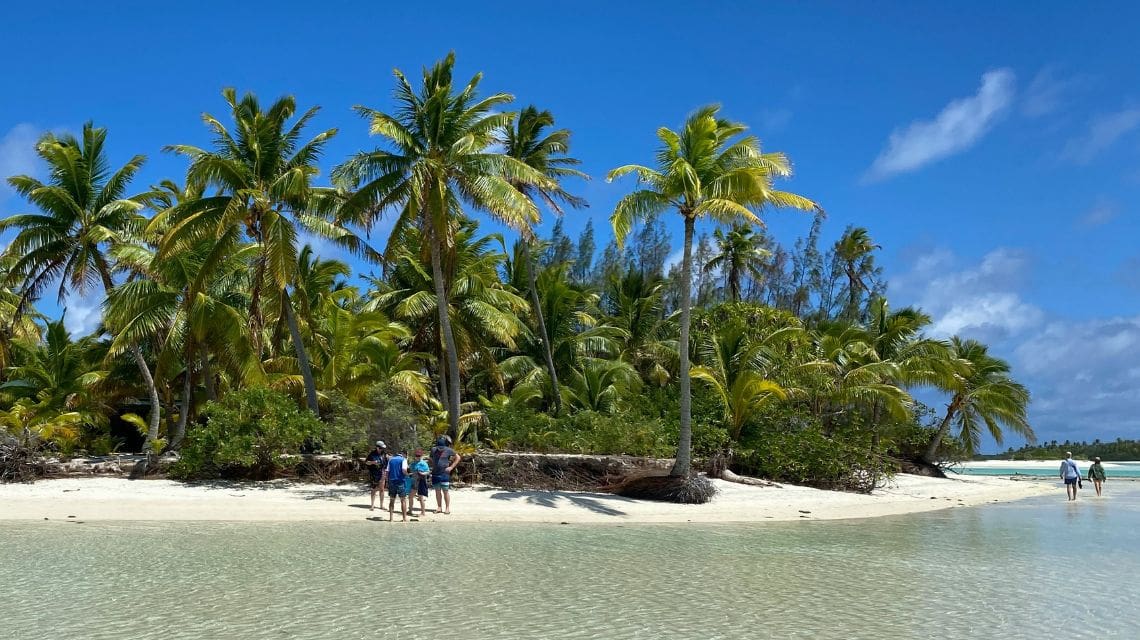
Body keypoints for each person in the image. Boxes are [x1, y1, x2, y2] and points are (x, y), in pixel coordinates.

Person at [430, 436, 461, 515]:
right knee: (437, 491)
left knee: (445, 491)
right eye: (439, 447)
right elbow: (430, 458)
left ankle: (447, 508)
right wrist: (432, 466)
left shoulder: (449, 450)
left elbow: (458, 457)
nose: (441, 449)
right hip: (435, 474)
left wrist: (451, 467)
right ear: (437, 446)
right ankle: (439, 507)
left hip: (444, 474)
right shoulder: (433, 450)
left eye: (442, 447)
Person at [387, 448, 410, 521]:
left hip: (391, 482)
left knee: (392, 500)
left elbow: (387, 471)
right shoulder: (403, 459)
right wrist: (408, 475)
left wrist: (388, 482)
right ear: (405, 454)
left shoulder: (391, 460)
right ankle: (404, 518)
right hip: (400, 482)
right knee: (403, 500)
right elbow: (404, 470)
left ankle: (391, 519)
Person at [365, 441, 389, 511]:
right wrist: (373, 462)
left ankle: (381, 505)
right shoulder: (372, 454)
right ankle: (372, 505)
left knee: (382, 489)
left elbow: (386, 464)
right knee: (373, 489)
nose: (382, 449)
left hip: (382, 473)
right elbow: (367, 462)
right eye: (381, 448)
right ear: (377, 447)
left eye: (383, 448)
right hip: (374, 474)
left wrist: (386, 473)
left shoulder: (384, 454)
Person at [410, 449, 431, 517]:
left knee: (420, 497)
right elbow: (411, 472)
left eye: (419, 456)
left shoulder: (424, 463)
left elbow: (428, 472)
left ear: (421, 456)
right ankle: (410, 510)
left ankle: (423, 512)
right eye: (416, 456)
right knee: (410, 496)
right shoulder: (413, 464)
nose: (417, 457)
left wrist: (422, 473)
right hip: (414, 482)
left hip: (421, 482)